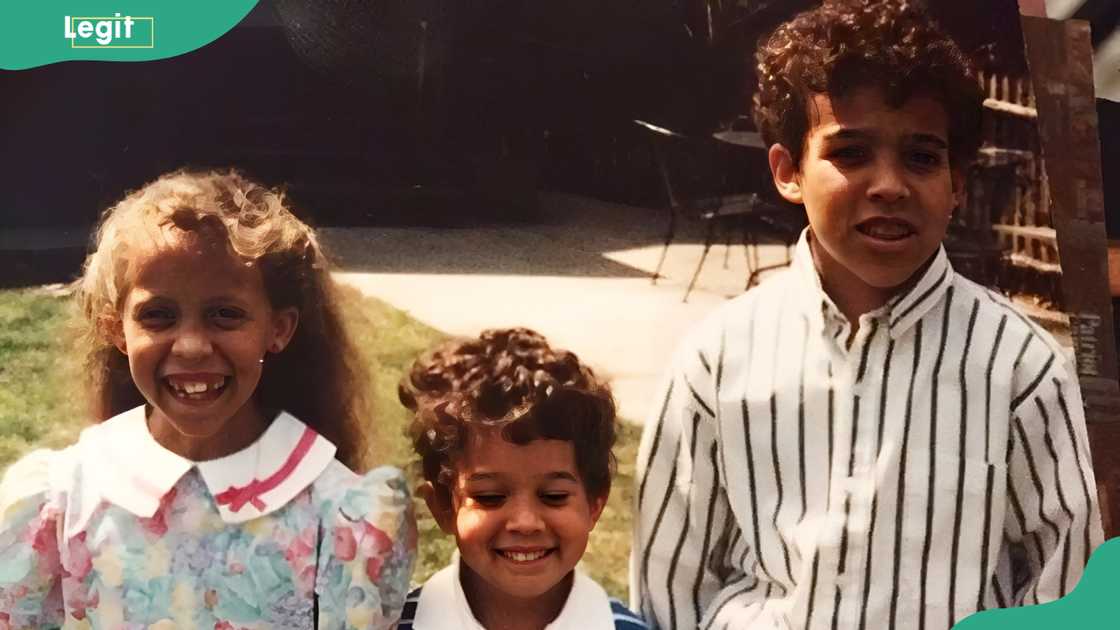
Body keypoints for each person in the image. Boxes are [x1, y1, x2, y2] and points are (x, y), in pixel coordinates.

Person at [631, 1, 1104, 629]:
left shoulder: (1022, 372)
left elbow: (1065, 589)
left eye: (922, 157)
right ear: (789, 172)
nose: (889, 185)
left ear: (958, 184)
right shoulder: (716, 362)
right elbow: (671, 585)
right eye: (851, 153)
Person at [0, 169, 416, 629]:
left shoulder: (339, 514)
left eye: (225, 314)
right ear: (116, 329)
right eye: (158, 315)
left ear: (277, 329)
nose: (192, 346)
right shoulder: (63, 501)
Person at [396, 328, 647, 630]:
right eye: (490, 497)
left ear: (595, 503)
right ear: (442, 507)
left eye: (554, 496)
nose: (525, 522)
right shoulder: (391, 624)